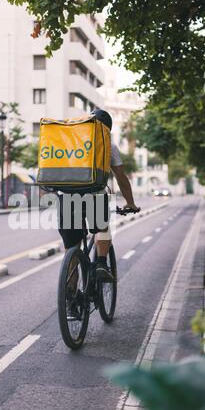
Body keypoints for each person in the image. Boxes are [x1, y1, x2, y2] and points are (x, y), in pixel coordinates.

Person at [58, 109, 140, 282]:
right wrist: (130, 203)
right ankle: (102, 263)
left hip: (66, 195)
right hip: (94, 195)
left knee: (71, 250)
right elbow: (121, 179)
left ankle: (70, 304)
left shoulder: (70, 139)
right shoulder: (108, 144)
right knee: (102, 228)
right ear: (107, 129)